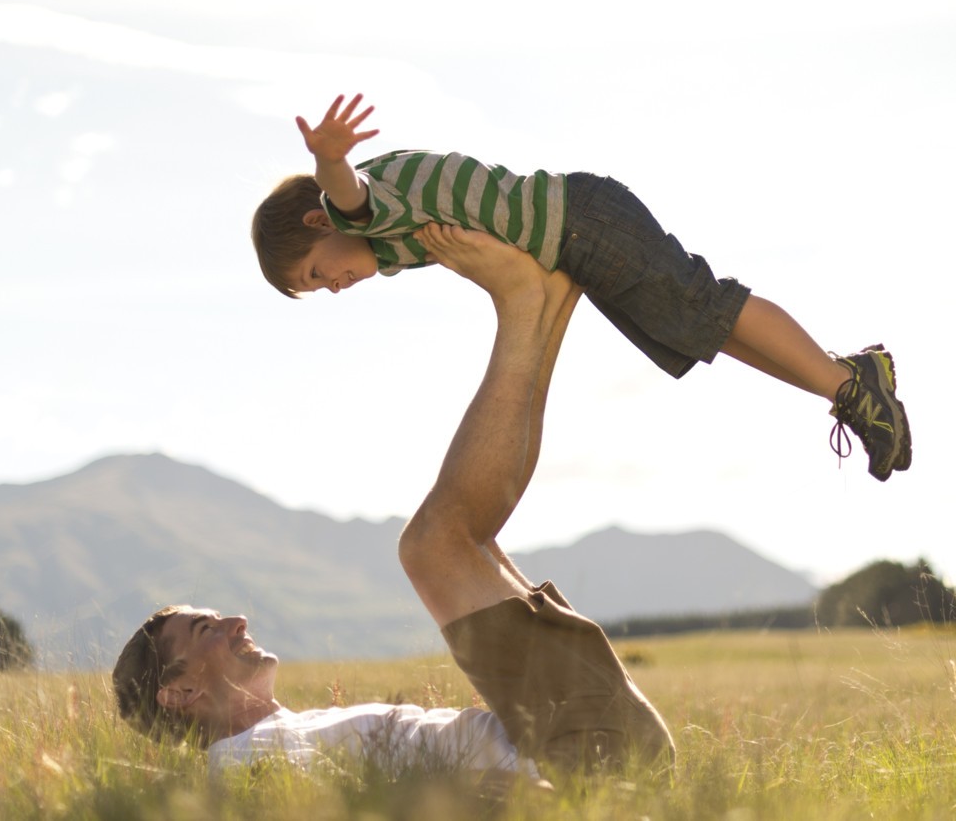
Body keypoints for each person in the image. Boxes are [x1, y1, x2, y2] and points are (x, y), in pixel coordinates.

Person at [113, 225, 674, 782]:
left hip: (578, 738)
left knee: (469, 542)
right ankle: (529, 305)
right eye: (205, 630)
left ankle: (546, 302)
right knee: (434, 546)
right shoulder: (239, 761)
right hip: (569, 765)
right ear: (180, 692)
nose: (236, 621)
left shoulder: (297, 729)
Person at [251, 93, 913, 480]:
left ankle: (855, 391)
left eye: (316, 273)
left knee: (707, 307)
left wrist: (328, 159)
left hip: (585, 224)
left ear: (320, 223)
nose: (331, 287)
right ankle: (847, 378)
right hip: (583, 236)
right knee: (702, 332)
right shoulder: (392, 239)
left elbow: (350, 196)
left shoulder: (370, 206)